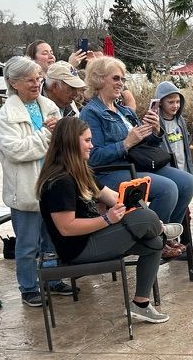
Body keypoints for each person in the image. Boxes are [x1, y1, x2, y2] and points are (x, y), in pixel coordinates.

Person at [37, 117, 181, 324]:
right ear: (70, 142)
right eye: (87, 141)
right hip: (77, 248)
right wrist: (107, 219)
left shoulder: (80, 172)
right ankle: (162, 230)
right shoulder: (60, 181)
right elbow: (66, 228)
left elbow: (112, 197)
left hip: (92, 237)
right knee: (145, 218)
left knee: (154, 242)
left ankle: (140, 304)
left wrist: (133, 200)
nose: (92, 145)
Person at [79, 56, 193, 260]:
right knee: (168, 188)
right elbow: (93, 157)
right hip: (111, 172)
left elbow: (145, 146)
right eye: (116, 78)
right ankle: (153, 241)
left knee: (187, 182)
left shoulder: (124, 110)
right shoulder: (91, 113)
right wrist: (126, 143)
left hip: (139, 165)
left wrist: (156, 131)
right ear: (98, 79)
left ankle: (165, 233)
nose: (120, 84)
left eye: (123, 79)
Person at [0, 55, 72, 307]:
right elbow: (15, 151)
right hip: (26, 189)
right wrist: (46, 134)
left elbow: (61, 144)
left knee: (51, 238)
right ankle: (28, 287)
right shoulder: (8, 113)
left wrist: (59, 132)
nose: (36, 83)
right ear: (13, 82)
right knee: (27, 244)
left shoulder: (49, 106)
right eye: (29, 79)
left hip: (51, 184)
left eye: (39, 78)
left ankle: (52, 278)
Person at [153, 81, 193, 175]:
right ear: (160, 103)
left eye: (178, 102)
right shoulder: (155, 122)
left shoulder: (180, 120)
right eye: (171, 102)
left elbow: (186, 144)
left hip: (184, 168)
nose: (175, 106)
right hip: (168, 171)